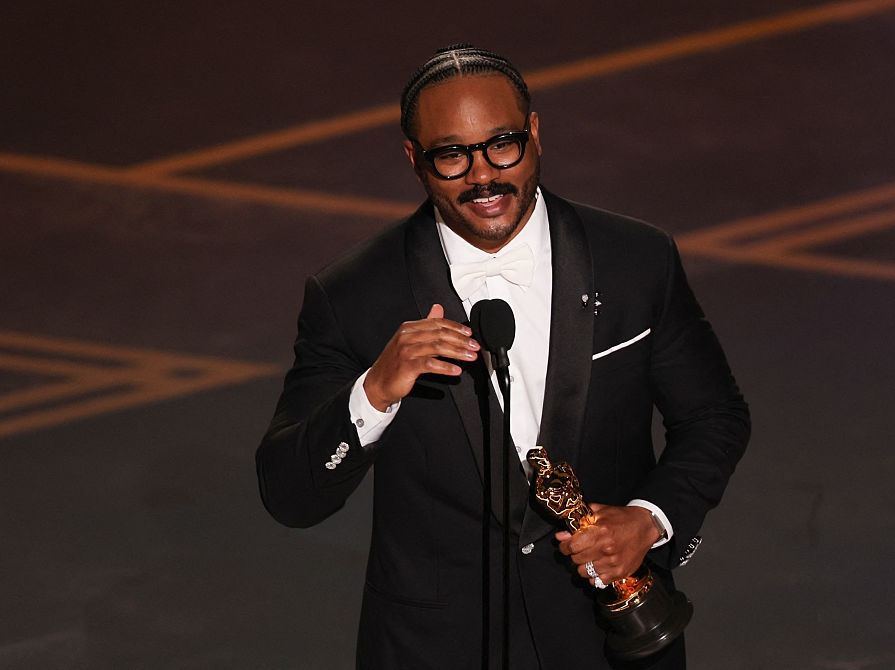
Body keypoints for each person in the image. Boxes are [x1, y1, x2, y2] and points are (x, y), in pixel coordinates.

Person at [256, 44, 750, 669]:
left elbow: (714, 417)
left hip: (609, 639)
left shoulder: (635, 260)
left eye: (502, 145)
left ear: (535, 133)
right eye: (452, 155)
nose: (483, 175)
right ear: (414, 159)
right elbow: (291, 494)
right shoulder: (354, 295)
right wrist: (374, 391)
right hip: (436, 650)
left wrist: (649, 520)